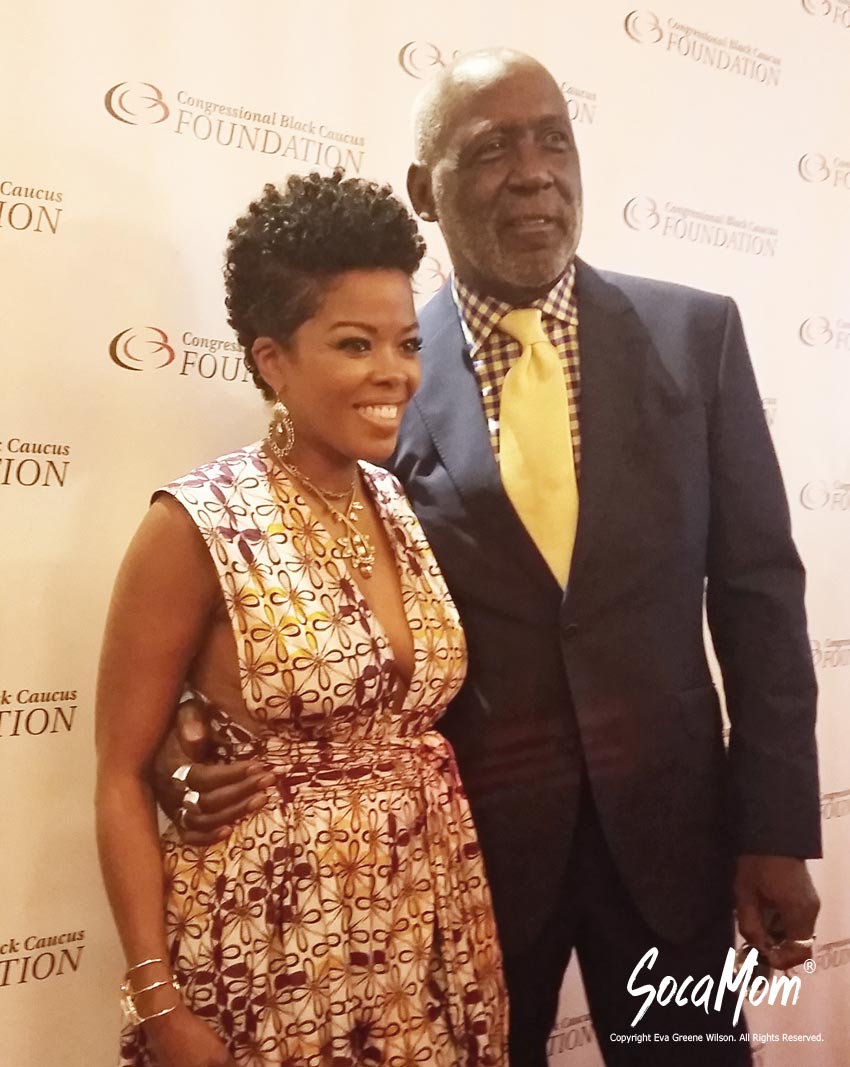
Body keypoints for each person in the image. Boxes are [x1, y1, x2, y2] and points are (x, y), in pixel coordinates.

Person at [154, 50, 821, 1067]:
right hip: (465, 859)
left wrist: (773, 824)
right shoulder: (374, 375)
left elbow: (759, 598)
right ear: (426, 189)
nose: (533, 170)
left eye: (554, 138)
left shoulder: (699, 337)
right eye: (492, 149)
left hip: (675, 837)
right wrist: (196, 725)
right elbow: (306, 571)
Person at [95, 170, 507, 1067]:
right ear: (273, 358)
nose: (393, 372)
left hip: (416, 935)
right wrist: (161, 1007)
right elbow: (122, 775)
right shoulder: (195, 521)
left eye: (405, 342)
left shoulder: (398, 504)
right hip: (266, 944)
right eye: (355, 344)